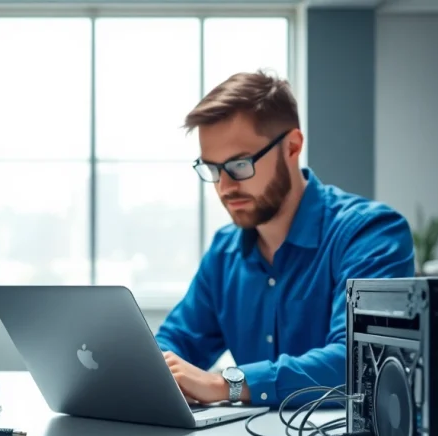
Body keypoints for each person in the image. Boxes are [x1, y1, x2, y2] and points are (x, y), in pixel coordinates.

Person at [155, 69, 415, 407]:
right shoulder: (225, 251)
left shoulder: (371, 234)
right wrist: (149, 372)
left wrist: (227, 384)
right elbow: (175, 343)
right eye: (213, 169)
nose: (225, 187)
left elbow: (359, 363)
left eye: (239, 165)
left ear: (292, 147)